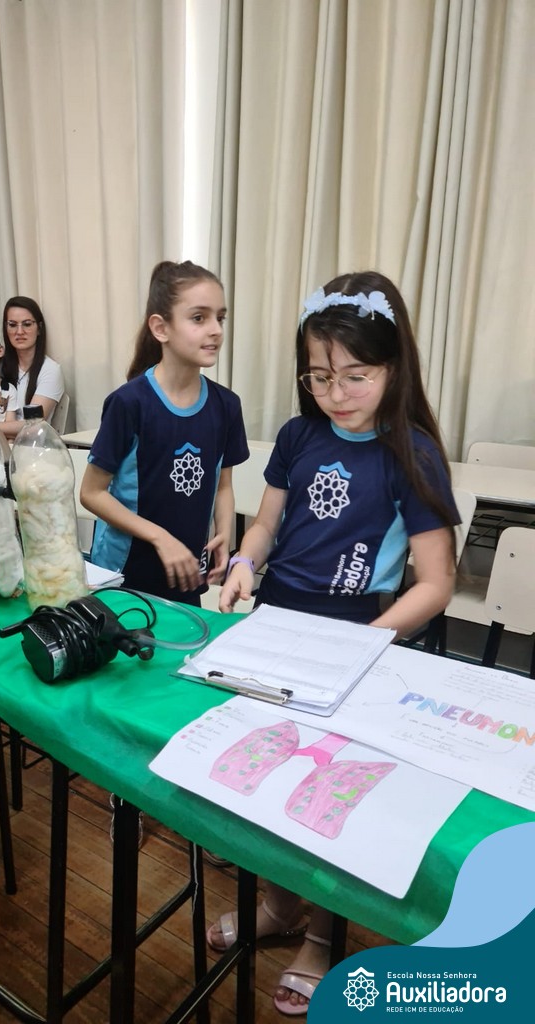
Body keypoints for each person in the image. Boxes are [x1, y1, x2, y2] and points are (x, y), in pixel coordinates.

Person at [210, 271, 459, 1016]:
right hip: (278, 624)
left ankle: (323, 938)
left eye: (356, 376)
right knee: (265, 778)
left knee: (327, 797)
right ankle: (279, 907)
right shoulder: (299, 436)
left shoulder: (411, 452)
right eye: (319, 377)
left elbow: (436, 582)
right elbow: (266, 523)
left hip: (357, 635)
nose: (336, 393)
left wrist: (366, 644)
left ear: (393, 368)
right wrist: (245, 561)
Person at [80, 260, 250, 605]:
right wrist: (161, 538)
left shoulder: (227, 406)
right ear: (160, 328)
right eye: (199, 318)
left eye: (220, 318)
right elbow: (91, 493)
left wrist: (224, 532)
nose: (215, 330)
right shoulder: (129, 403)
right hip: (123, 577)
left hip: (186, 575)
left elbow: (223, 485)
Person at [0, 296, 64, 422]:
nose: (19, 332)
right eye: (12, 325)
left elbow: (32, 423)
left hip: (29, 435)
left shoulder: (50, 370)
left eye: (27, 324)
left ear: (39, 328)